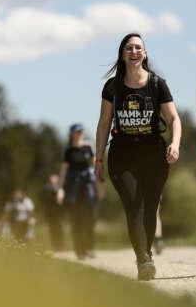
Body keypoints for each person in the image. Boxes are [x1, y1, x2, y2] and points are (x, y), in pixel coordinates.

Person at [94, 33, 181, 280]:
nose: (134, 51)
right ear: (122, 54)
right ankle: (143, 259)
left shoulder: (157, 84)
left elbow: (174, 118)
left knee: (150, 207)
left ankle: (147, 252)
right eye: (129, 48)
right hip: (122, 154)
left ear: (144, 53)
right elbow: (103, 124)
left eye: (138, 48)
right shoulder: (112, 87)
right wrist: (98, 159)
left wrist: (174, 144)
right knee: (134, 205)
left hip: (154, 153)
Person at [57, 124, 98, 260]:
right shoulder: (68, 150)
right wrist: (60, 189)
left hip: (88, 186)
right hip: (73, 187)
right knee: (76, 219)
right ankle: (79, 249)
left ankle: (89, 247)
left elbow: (96, 165)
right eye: (77, 131)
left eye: (81, 131)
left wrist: (100, 185)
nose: (80, 133)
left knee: (89, 218)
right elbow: (63, 172)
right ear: (72, 134)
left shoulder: (88, 147)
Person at [41, 173, 65, 251]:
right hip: (50, 213)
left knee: (59, 229)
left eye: (55, 179)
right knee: (52, 229)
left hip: (58, 213)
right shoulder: (46, 188)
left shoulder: (60, 189)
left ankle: (60, 245)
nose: (53, 180)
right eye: (52, 178)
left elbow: (60, 201)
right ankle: (55, 245)